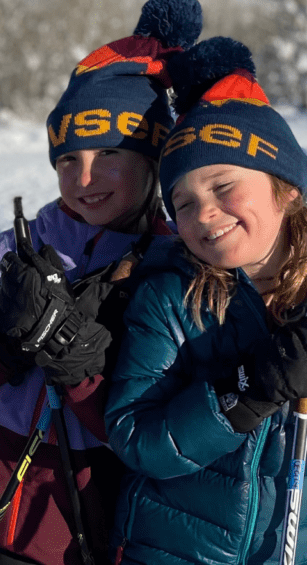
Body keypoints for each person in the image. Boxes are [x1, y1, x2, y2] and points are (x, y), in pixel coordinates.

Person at [0, 0, 201, 564]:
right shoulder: (20, 245)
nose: (85, 177)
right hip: (3, 486)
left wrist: (77, 356)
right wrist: (6, 338)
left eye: (108, 154)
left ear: (152, 159)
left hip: (92, 496)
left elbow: (153, 417)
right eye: (66, 160)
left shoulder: (170, 261)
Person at [105, 37, 307, 564]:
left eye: (223, 185)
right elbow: (136, 437)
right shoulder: (170, 295)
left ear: (285, 187)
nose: (205, 215)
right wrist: (245, 391)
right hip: (174, 551)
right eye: (183, 203)